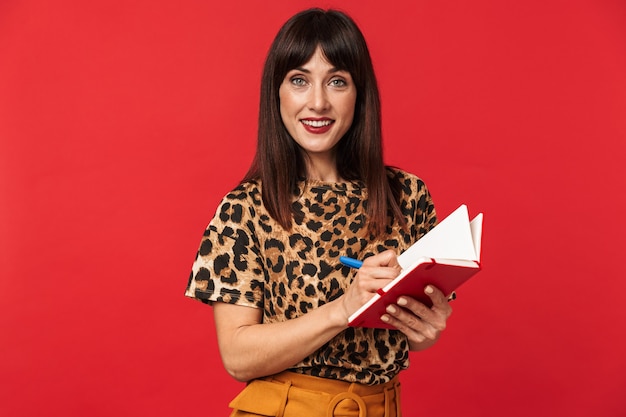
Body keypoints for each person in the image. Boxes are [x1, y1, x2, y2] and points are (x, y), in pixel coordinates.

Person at [185, 8, 453, 417]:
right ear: (276, 93)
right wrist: (344, 309)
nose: (317, 102)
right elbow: (238, 356)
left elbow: (412, 339)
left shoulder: (408, 196)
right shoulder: (244, 209)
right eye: (299, 80)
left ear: (359, 93)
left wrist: (426, 328)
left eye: (337, 81)